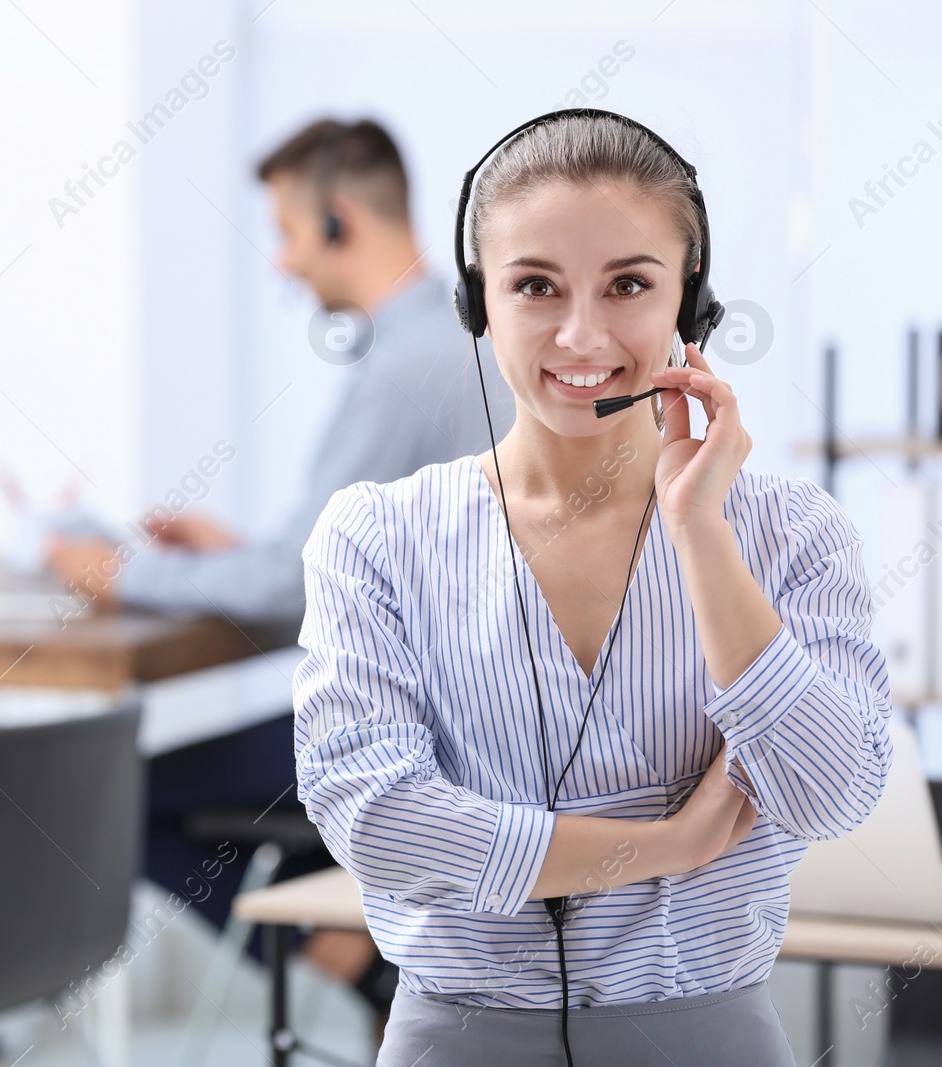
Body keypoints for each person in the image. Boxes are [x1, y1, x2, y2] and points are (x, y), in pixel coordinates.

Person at [295, 110, 894, 1066]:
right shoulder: (377, 538)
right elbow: (378, 822)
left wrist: (701, 535)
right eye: (534, 285)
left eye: (629, 284)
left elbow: (828, 795)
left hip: (713, 1032)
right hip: (456, 1038)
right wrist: (668, 846)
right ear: (476, 303)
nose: (582, 333)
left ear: (691, 307)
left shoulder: (789, 532)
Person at [47, 118, 513, 1010]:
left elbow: (292, 587)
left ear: (340, 221)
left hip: (413, 730)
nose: (283, 264)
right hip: (471, 715)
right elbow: (357, 549)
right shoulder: (467, 335)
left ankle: (360, 963)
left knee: (121, 792)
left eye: (289, 233)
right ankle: (366, 936)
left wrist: (120, 573)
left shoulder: (405, 367)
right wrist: (249, 549)